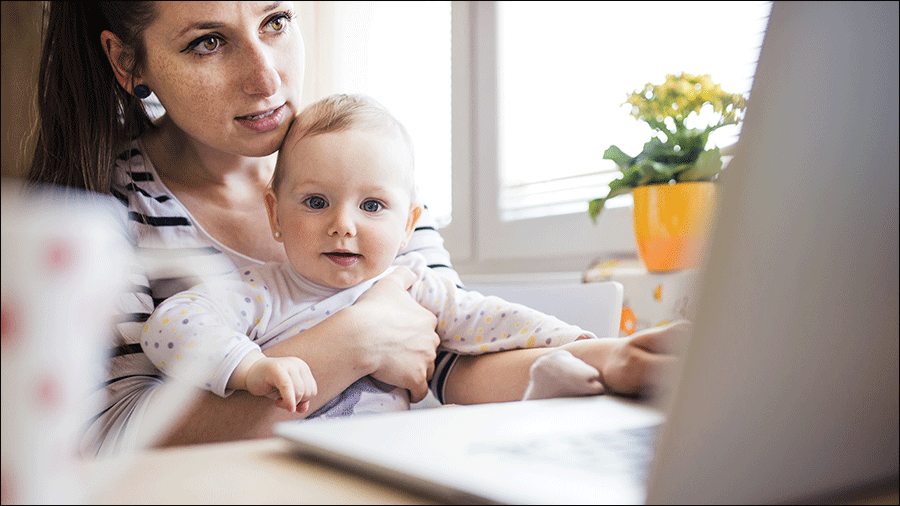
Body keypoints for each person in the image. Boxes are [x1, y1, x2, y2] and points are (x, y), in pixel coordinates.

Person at [25, 2, 687, 458]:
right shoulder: (97, 211)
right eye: (207, 41)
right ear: (126, 60)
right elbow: (106, 433)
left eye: (277, 20)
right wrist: (355, 341)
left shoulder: (358, 166)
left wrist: (609, 361)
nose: (267, 77)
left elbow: (447, 360)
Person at [142, 93, 605, 418]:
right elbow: (167, 327)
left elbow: (487, 319)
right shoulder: (259, 291)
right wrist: (249, 369)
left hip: (386, 460)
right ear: (275, 212)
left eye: (372, 206)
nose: (344, 225)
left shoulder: (412, 285)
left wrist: (568, 342)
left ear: (408, 226)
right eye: (317, 202)